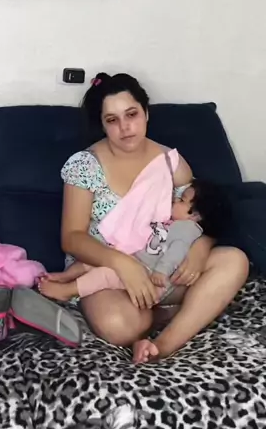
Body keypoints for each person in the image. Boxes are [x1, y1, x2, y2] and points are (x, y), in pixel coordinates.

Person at [50, 72, 248, 363]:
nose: (125, 127)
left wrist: (200, 248)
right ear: (102, 124)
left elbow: (199, 212)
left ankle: (162, 346)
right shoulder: (85, 165)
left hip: (161, 263)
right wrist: (124, 264)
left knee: (234, 261)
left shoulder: (171, 163)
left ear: (146, 113)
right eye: (112, 119)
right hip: (103, 269)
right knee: (121, 325)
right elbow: (72, 238)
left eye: (131, 114)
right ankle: (170, 314)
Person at [39, 178, 231, 303]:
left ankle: (68, 291)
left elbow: (177, 252)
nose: (175, 200)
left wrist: (161, 271)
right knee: (96, 258)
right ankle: (65, 276)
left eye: (182, 200)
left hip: (150, 277)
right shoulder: (173, 221)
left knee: (105, 274)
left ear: (195, 216)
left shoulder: (187, 229)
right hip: (137, 261)